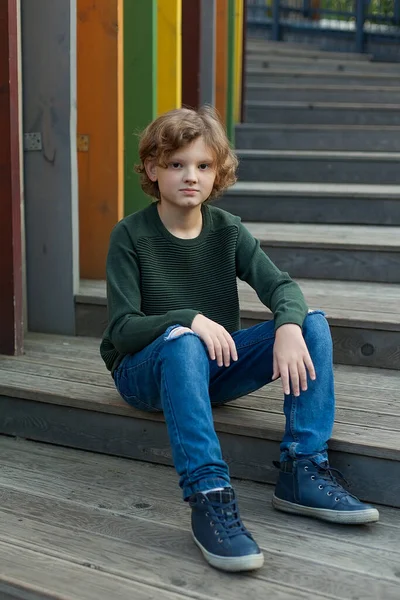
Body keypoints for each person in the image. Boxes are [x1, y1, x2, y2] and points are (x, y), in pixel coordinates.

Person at [100, 106, 379, 573]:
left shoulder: (227, 230)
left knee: (311, 320)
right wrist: (188, 318)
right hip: (144, 372)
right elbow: (122, 329)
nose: (191, 176)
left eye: (203, 166)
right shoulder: (130, 235)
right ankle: (209, 494)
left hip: (213, 368)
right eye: (176, 164)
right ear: (152, 169)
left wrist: (288, 327)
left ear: (217, 174)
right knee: (183, 341)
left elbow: (282, 288)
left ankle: (302, 468)